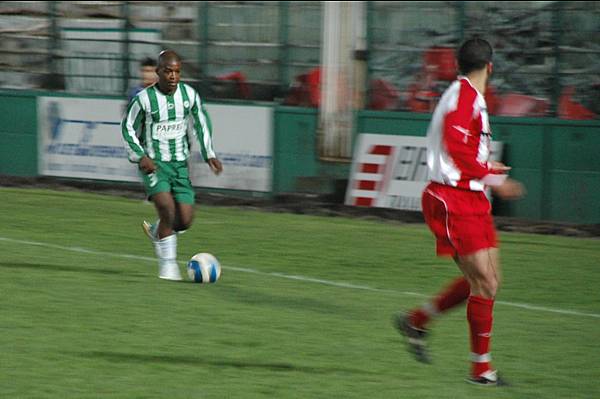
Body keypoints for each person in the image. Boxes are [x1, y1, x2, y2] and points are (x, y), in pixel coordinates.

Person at [394, 38, 525, 386]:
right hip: (451, 198)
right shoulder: (464, 96)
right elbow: (455, 148)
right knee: (483, 282)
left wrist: (488, 167)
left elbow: (464, 148)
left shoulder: (468, 95)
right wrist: (495, 180)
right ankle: (481, 370)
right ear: (490, 67)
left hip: (471, 196)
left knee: (489, 281)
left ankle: (416, 321)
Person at [121, 49, 223, 281]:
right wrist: (140, 155)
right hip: (154, 165)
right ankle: (168, 268)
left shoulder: (189, 95)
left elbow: (201, 121)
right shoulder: (144, 99)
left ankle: (158, 231)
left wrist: (209, 153)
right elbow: (127, 128)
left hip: (180, 165)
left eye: (177, 72)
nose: (173, 76)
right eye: (168, 71)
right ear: (159, 72)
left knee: (184, 220)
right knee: (167, 210)